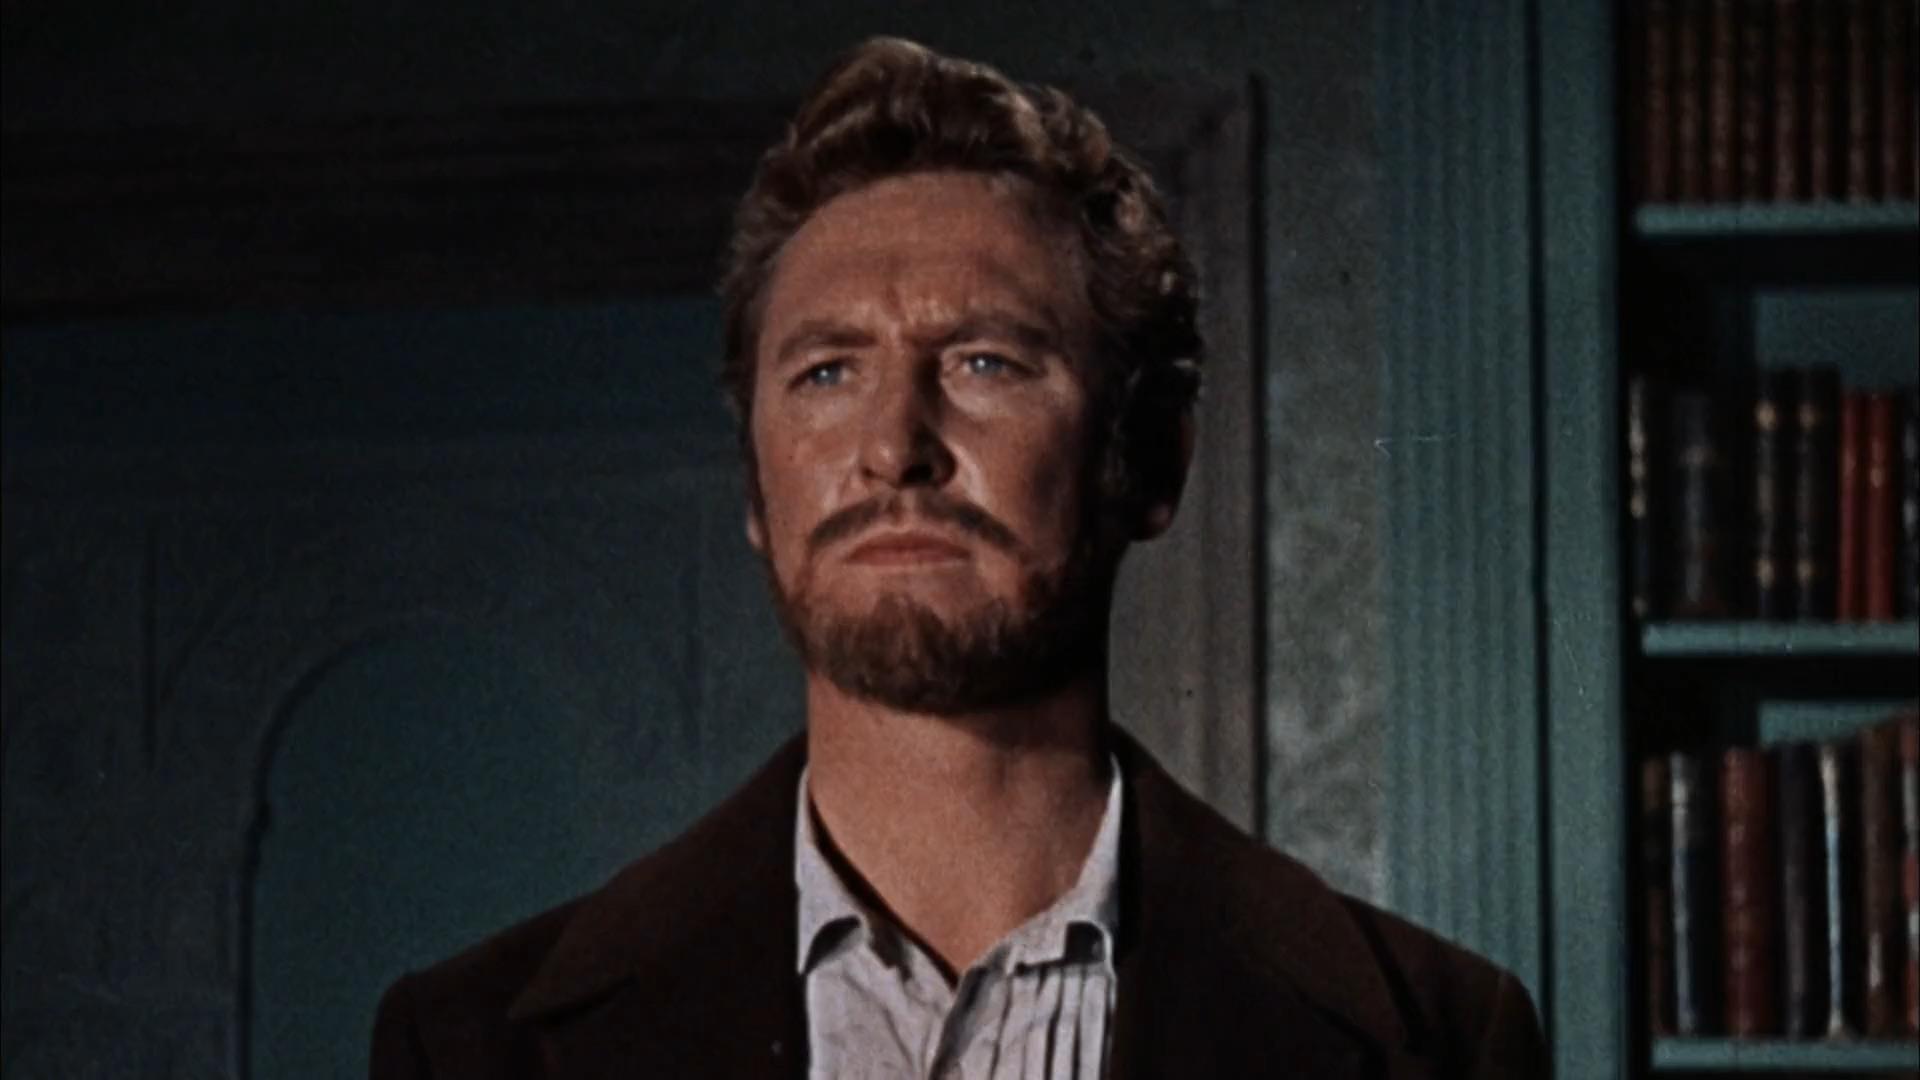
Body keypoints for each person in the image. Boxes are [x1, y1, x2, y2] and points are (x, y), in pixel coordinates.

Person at [369, 37, 1546, 1079]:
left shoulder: (1439, 1041)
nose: (894, 447)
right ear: (755, 488)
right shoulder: (473, 1049)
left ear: (1149, 462)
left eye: (986, 363)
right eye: (827, 373)